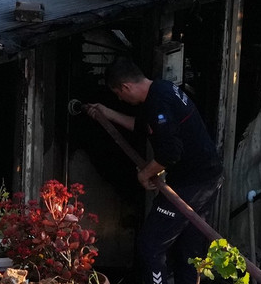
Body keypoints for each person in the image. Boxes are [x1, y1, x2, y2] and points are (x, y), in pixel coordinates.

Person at [86, 58, 223, 284]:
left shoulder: (158, 101)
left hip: (193, 184)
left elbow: (170, 152)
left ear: (126, 87)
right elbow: (144, 127)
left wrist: (145, 173)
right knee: (188, 250)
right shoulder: (162, 89)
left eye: (119, 94)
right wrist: (107, 113)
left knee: (150, 245)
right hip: (206, 177)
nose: (121, 99)